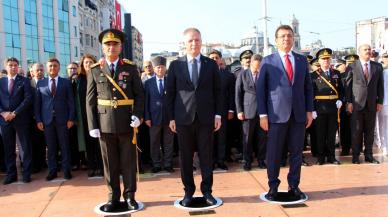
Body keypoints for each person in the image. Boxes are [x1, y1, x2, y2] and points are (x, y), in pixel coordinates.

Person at [86, 29, 144, 212]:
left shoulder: (130, 67)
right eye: (107, 44)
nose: (111, 47)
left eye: (115, 44)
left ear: (121, 46)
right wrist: (92, 125)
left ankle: (130, 196)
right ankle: (113, 197)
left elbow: (140, 95)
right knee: (110, 165)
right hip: (104, 124)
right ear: (102, 47)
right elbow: (90, 100)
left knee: (128, 163)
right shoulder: (95, 70)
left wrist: (138, 115)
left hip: (127, 121)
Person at [166, 27, 222, 207]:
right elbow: (170, 93)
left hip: (206, 118)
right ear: (184, 43)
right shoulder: (175, 65)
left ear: (201, 42)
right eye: (190, 40)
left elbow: (218, 91)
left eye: (197, 40)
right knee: (186, 157)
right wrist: (171, 118)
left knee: (206, 156)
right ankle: (188, 192)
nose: (194, 43)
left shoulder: (210, 64)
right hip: (183, 119)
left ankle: (207, 192)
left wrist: (218, 114)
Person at [256, 25, 313, 201]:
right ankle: (273, 186)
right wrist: (263, 115)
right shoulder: (268, 60)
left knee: (296, 152)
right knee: (273, 152)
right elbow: (261, 90)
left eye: (289, 35)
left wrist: (310, 110)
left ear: (293, 38)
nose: (286, 39)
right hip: (275, 115)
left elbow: (307, 87)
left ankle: (294, 186)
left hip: (298, 115)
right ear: (276, 40)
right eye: (282, 36)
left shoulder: (302, 60)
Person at [35, 58, 75, 181]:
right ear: (47, 68)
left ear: (59, 67)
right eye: (50, 66)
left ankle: (67, 170)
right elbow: (37, 104)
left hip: (63, 120)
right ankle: (52, 171)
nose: (53, 68)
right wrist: (38, 120)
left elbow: (71, 102)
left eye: (55, 66)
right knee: (51, 147)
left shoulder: (65, 82)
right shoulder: (40, 83)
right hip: (47, 121)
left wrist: (71, 118)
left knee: (64, 146)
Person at [345, 44, 384, 164]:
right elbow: (348, 86)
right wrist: (349, 102)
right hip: (357, 104)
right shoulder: (352, 66)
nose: (368, 51)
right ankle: (356, 156)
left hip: (372, 104)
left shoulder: (377, 67)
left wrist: (380, 101)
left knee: (369, 131)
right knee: (356, 131)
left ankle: (369, 155)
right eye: (365, 49)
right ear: (360, 52)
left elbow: (380, 86)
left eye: (369, 49)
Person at [0, 57, 33, 184]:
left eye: (15, 65)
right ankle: (11, 174)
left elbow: (28, 99)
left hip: (20, 119)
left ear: (18, 66)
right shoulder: (1, 81)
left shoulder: (24, 81)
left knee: (24, 148)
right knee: (8, 148)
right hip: (4, 120)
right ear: (6, 66)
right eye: (10, 65)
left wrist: (15, 113)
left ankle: (26, 173)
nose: (13, 67)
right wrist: (3, 113)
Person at [311, 48, 343, 165]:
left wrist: (340, 99)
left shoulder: (336, 74)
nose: (326, 61)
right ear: (319, 60)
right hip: (319, 108)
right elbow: (311, 94)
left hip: (333, 108)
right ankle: (320, 157)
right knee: (320, 134)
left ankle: (331, 156)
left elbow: (341, 90)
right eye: (323, 59)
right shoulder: (314, 75)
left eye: (328, 59)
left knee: (331, 134)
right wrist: (312, 109)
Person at [236, 54, 266, 171]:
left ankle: (261, 160)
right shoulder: (243, 74)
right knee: (247, 138)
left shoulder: (263, 74)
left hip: (262, 112)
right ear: (252, 63)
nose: (258, 68)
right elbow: (238, 93)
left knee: (262, 138)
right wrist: (239, 110)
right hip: (248, 111)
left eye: (260, 66)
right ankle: (247, 161)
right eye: (256, 66)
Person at [144, 56, 174, 173]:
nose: (160, 69)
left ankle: (168, 164)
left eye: (162, 67)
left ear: (165, 68)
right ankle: (156, 164)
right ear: (154, 69)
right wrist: (147, 117)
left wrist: (174, 118)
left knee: (168, 142)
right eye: (158, 67)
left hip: (169, 118)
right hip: (153, 117)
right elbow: (146, 101)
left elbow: (174, 99)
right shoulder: (148, 83)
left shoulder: (170, 81)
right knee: (154, 142)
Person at [208, 49, 235, 170]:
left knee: (222, 137)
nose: (214, 60)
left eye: (216, 57)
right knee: (209, 138)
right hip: (207, 112)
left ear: (220, 59)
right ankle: (211, 162)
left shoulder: (228, 75)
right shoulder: (203, 74)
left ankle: (221, 160)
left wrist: (231, 110)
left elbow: (231, 94)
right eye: (212, 58)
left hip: (223, 111)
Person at [78, 55, 102, 176]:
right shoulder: (79, 79)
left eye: (90, 62)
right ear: (82, 65)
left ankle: (101, 167)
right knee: (88, 141)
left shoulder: (99, 75)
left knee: (99, 141)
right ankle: (92, 166)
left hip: (98, 113)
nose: (88, 64)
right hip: (84, 115)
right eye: (85, 63)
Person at [29, 63, 47, 173]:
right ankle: (36, 164)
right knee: (34, 142)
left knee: (45, 141)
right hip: (31, 118)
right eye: (37, 70)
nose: (39, 72)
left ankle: (44, 162)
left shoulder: (47, 82)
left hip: (45, 117)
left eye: (41, 69)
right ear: (32, 71)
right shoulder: (28, 83)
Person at [377, 53, 388, 155]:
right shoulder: (382, 72)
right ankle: (384, 145)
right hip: (384, 102)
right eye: (386, 58)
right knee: (382, 125)